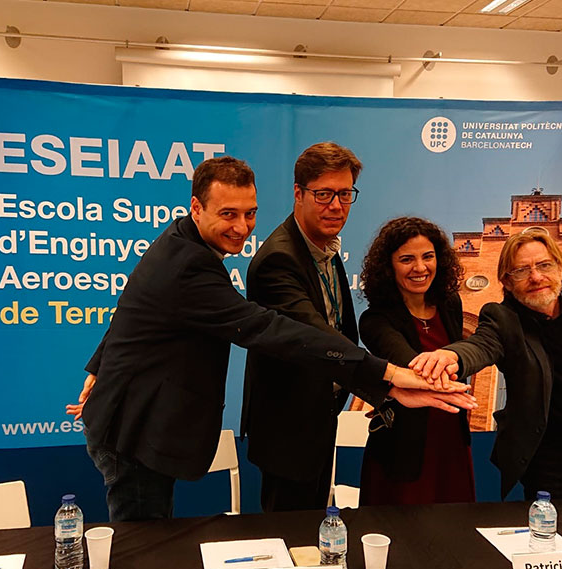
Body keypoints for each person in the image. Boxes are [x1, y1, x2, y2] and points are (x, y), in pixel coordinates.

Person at [66, 156, 474, 521]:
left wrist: (101, 366)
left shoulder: (182, 241)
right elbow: (270, 329)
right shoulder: (193, 264)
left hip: (141, 418)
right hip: (135, 430)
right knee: (142, 548)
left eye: (250, 214)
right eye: (228, 214)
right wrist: (388, 374)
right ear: (196, 208)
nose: (242, 227)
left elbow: (135, 304)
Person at [410, 229, 562, 500]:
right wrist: (451, 356)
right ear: (507, 282)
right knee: (547, 527)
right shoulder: (502, 318)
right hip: (549, 457)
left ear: (560, 267)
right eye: (521, 271)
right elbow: (480, 346)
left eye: (544, 265)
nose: (536, 277)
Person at [242, 142, 363, 512]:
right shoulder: (278, 259)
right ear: (298, 193)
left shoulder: (324, 247)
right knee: (289, 534)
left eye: (345, 194)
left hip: (320, 416)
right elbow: (315, 335)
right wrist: (385, 379)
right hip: (287, 431)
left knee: (314, 530)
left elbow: (340, 326)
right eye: (324, 194)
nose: (336, 206)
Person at [357, 217, 476, 505]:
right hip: (402, 450)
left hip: (451, 440)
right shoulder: (375, 320)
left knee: (454, 525)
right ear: (389, 267)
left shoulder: (451, 304)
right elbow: (412, 366)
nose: (420, 268)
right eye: (407, 259)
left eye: (428, 257)